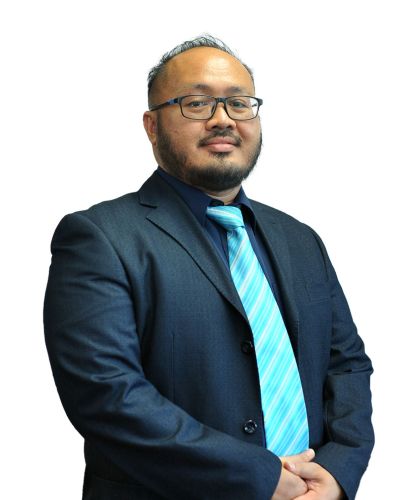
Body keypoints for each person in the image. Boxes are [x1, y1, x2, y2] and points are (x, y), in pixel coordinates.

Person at [44, 35, 374, 500]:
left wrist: (338, 472)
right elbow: (107, 395)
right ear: (152, 126)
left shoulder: (300, 239)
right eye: (196, 103)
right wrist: (261, 477)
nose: (223, 119)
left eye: (239, 103)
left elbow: (347, 365)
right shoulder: (99, 238)